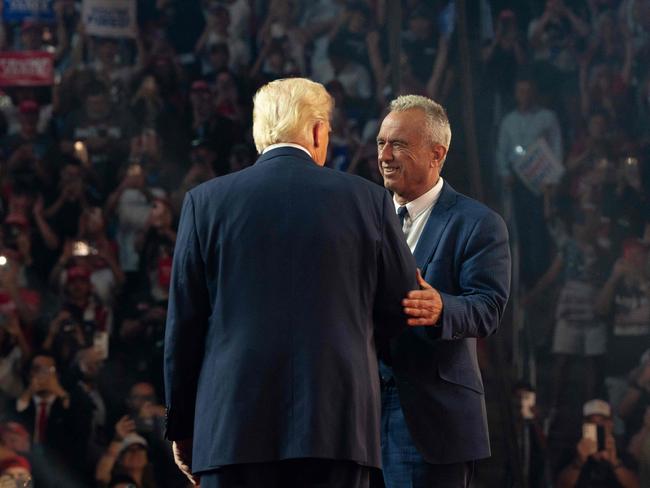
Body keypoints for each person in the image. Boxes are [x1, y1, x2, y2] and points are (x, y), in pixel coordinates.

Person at [164, 77, 425, 488]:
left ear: (258, 132)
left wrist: (181, 425)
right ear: (319, 130)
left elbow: (184, 326)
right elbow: (402, 308)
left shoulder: (205, 202)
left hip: (232, 431)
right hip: (338, 427)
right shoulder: (369, 200)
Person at [375, 94, 511, 488]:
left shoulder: (477, 223)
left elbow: (488, 308)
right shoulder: (367, 216)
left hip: (433, 416)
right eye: (382, 142)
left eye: (398, 143)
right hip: (361, 415)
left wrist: (442, 309)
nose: (385, 154)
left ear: (437, 153)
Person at [556, 399, 639, 488]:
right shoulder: (572, 453)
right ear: (584, 426)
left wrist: (615, 462)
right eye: (592, 423)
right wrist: (579, 462)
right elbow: (561, 485)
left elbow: (635, 485)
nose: (597, 427)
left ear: (611, 425)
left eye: (602, 422)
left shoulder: (622, 455)